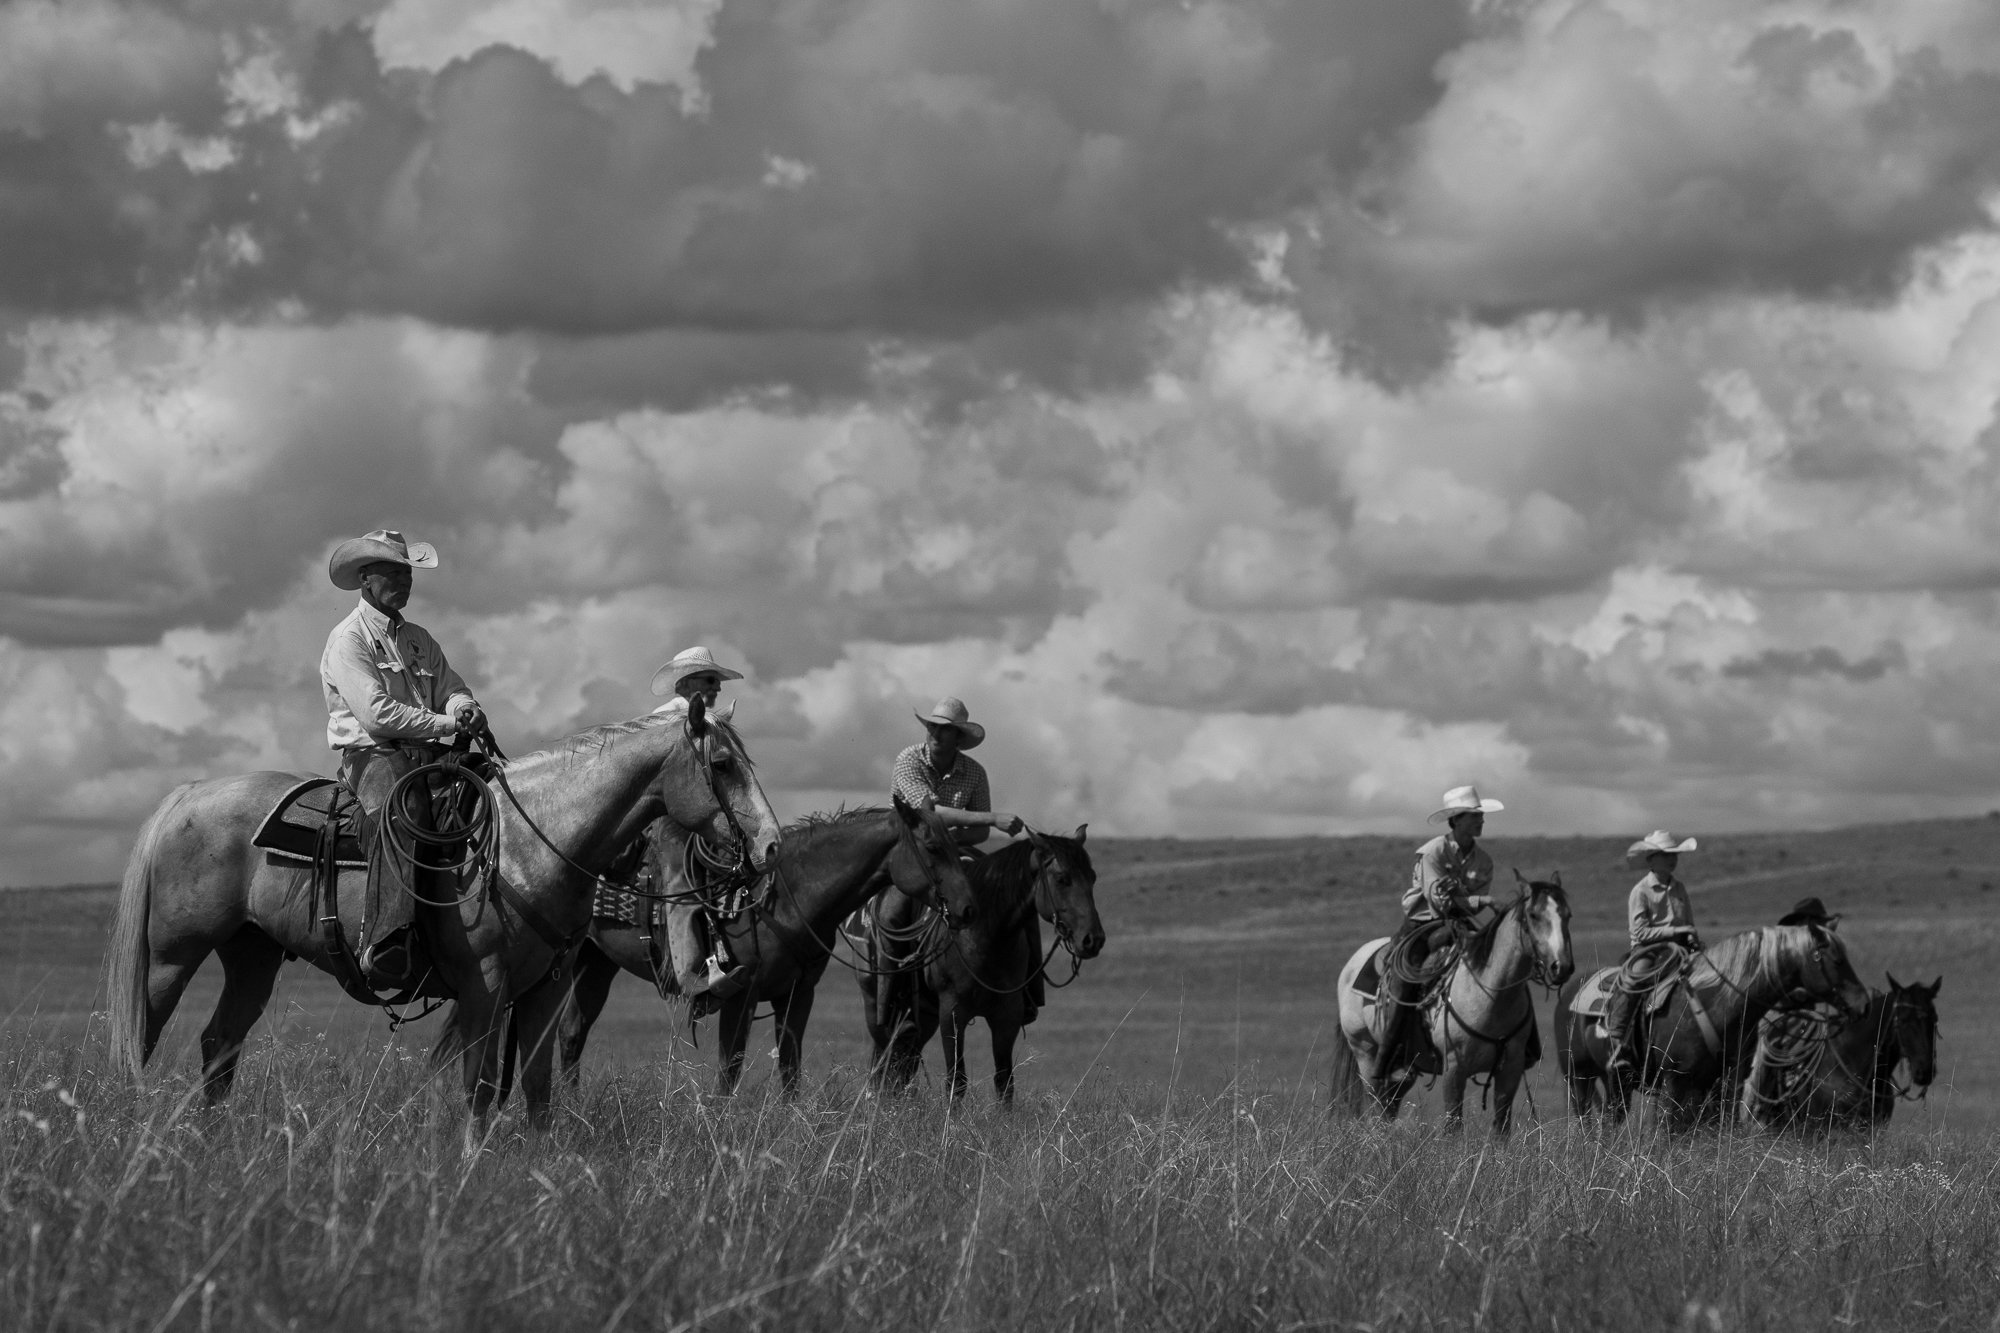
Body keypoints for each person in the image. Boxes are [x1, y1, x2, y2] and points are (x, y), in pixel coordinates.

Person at [320, 529, 485, 990]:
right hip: (371, 755)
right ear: (366, 579)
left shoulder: (419, 638)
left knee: (489, 790)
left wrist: (463, 707)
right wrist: (449, 725)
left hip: (426, 749)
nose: (405, 580)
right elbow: (377, 715)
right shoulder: (348, 639)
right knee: (406, 810)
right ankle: (386, 941)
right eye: (393, 571)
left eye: (407, 572)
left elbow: (451, 687)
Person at [888, 697, 1034, 1015]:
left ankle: (1026, 992)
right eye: (932, 727)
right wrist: (992, 818)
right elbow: (930, 812)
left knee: (1016, 899)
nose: (935, 734)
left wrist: (951, 843)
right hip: (908, 853)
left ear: (959, 738)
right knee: (893, 913)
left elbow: (978, 837)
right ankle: (892, 994)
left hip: (951, 854)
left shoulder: (974, 773)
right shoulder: (908, 759)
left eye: (944, 729)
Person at [648, 646, 752, 1003]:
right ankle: (687, 972)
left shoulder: (704, 721)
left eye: (717, 683)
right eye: (711, 681)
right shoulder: (667, 719)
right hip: (666, 821)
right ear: (688, 682)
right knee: (679, 873)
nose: (717, 689)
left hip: (694, 816)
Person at [1380, 786, 1502, 1078]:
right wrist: (1481, 901)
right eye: (1474, 816)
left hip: (1459, 923)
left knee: (1502, 967)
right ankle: (1389, 1056)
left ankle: (1523, 1046)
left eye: (1481, 815)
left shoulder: (1484, 861)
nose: (1481, 821)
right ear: (1456, 820)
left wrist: (1471, 904)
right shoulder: (1433, 851)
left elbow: (1463, 907)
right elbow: (1438, 901)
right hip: (1423, 924)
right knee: (1404, 982)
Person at [1603, 830, 1700, 1077]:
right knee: (1634, 980)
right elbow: (1640, 931)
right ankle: (1617, 1039)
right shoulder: (1641, 891)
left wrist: (1689, 936)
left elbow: (1688, 921)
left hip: (1682, 948)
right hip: (1648, 950)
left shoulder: (1680, 888)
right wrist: (1678, 930)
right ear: (1651, 860)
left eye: (1674, 854)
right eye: (1665, 855)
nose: (1672, 859)